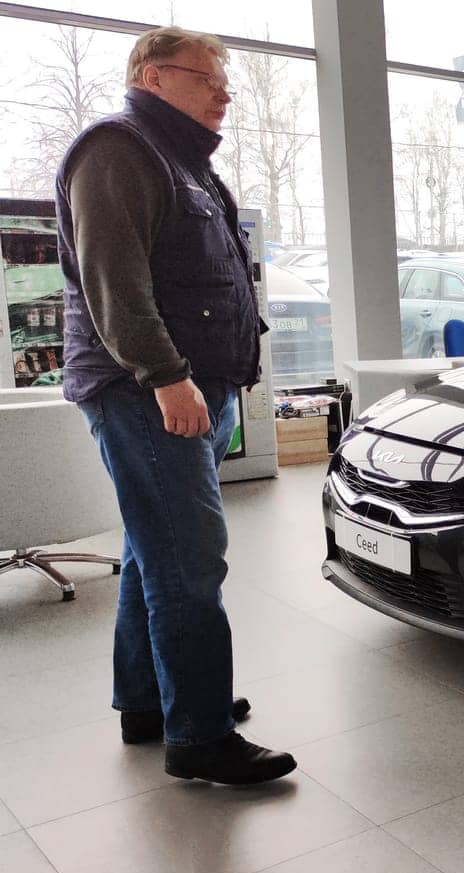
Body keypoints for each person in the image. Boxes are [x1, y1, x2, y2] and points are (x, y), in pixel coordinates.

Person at [55, 26, 295, 785]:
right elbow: (114, 284)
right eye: (209, 79)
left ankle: (151, 701)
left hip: (192, 385)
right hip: (146, 390)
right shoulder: (117, 149)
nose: (225, 94)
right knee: (190, 564)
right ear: (154, 78)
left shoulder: (182, 161)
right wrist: (165, 376)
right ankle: (200, 734)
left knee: (152, 552)